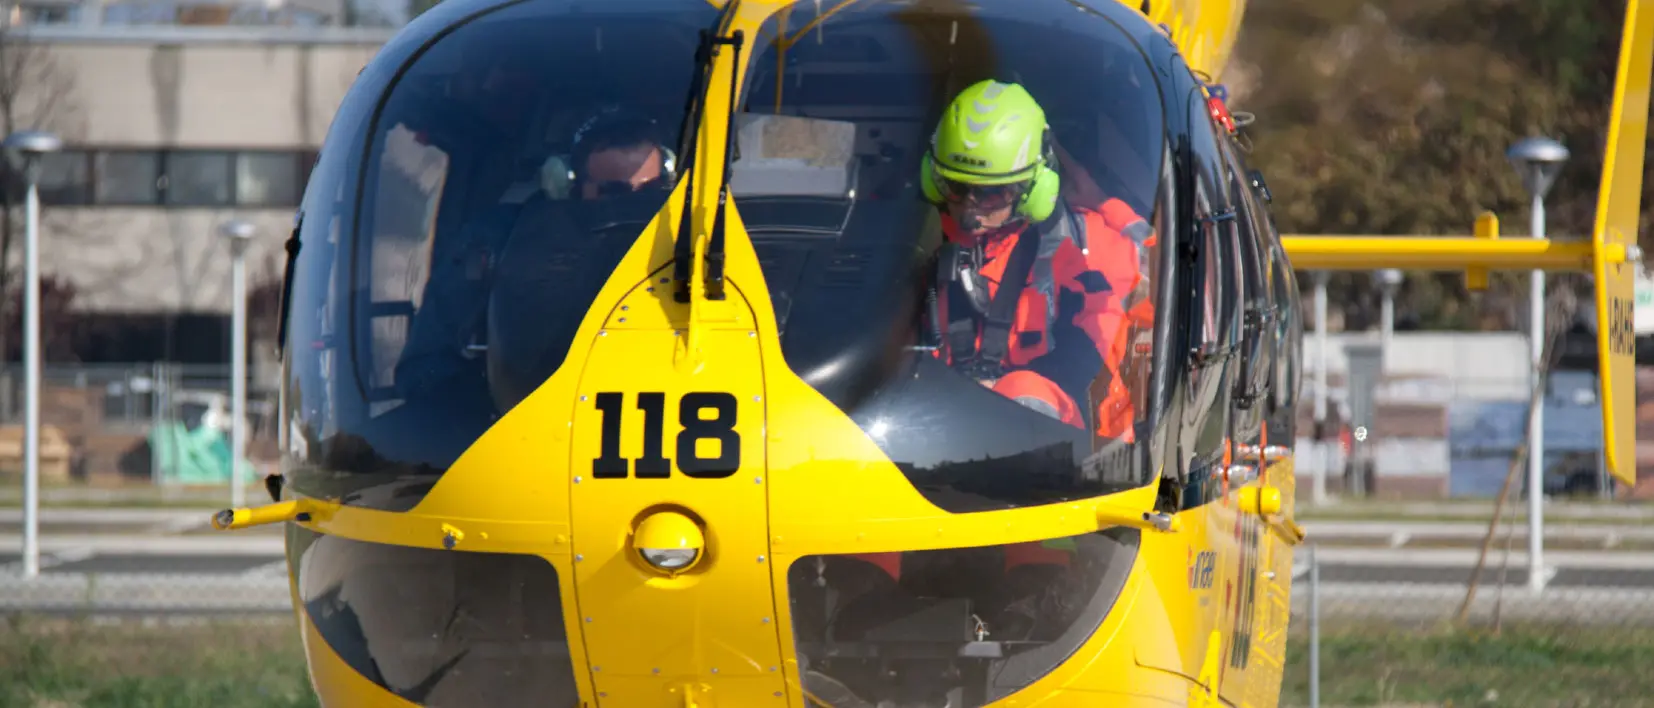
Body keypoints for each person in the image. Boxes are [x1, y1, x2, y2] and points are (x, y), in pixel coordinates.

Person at [395, 105, 679, 411]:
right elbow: (427, 371)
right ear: (568, 185)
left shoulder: (694, 235)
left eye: (651, 191)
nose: (634, 206)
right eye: (614, 192)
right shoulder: (499, 241)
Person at [920, 79, 1154, 442]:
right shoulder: (920, 240)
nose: (969, 209)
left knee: (1026, 394)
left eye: (991, 193)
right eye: (956, 187)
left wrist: (1106, 205)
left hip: (1068, 446)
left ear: (1033, 187)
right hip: (932, 435)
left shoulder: (1085, 244)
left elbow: (1181, 285)